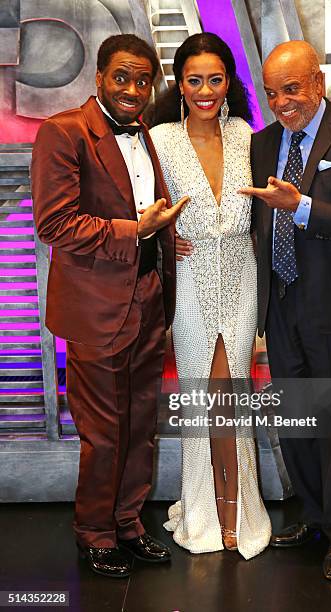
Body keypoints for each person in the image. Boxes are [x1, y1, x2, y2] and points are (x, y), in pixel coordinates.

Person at [31, 34, 188, 578]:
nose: (133, 90)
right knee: (103, 431)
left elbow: (145, 208)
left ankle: (128, 522)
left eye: (143, 80)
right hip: (97, 309)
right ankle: (95, 532)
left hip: (148, 296)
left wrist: (166, 238)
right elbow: (54, 222)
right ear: (98, 78)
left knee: (141, 420)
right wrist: (134, 230)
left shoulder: (143, 131)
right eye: (121, 77)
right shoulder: (63, 131)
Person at [239, 40, 331, 580]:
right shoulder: (261, 143)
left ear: (318, 83)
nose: (282, 103)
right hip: (279, 302)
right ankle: (315, 513)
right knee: (297, 420)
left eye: (293, 89)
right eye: (273, 93)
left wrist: (299, 207)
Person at [149, 33, 271, 560]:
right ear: (180, 83)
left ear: (228, 83)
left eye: (215, 79)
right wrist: (158, 240)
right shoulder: (158, 139)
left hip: (242, 278)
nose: (205, 90)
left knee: (231, 392)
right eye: (194, 79)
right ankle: (208, 509)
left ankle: (241, 508)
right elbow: (139, 207)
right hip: (192, 280)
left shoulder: (248, 135)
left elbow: (267, 209)